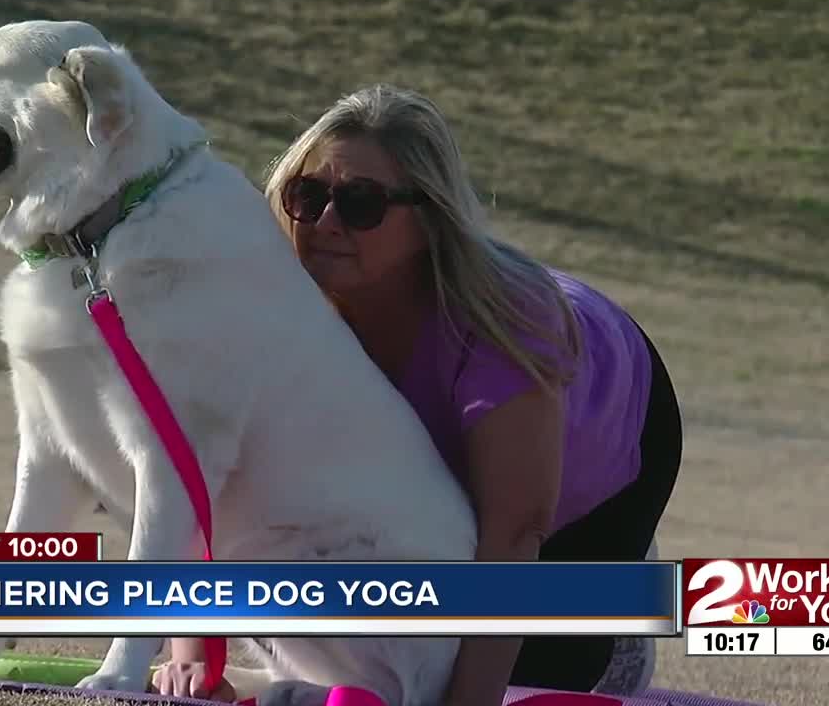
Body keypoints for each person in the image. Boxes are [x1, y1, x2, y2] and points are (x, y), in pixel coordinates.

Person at [151, 84, 683, 703]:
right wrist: (190, 649)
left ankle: (621, 626)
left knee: (527, 671)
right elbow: (208, 474)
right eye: (309, 196)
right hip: (436, 488)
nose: (325, 223)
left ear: (429, 220)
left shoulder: (503, 329)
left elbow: (513, 535)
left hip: (600, 441)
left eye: (360, 203)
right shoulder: (266, 307)